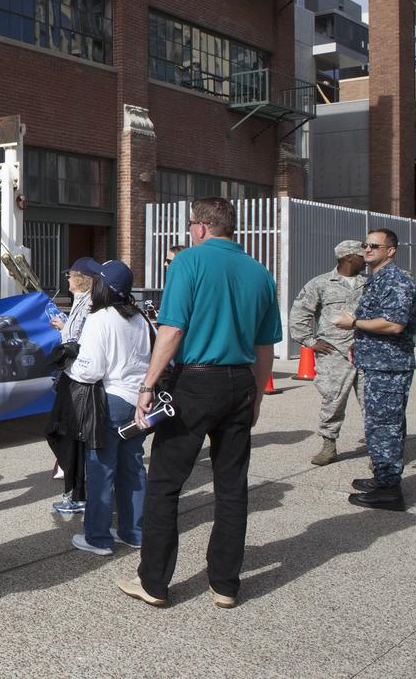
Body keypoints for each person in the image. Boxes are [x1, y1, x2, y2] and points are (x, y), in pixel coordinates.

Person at [119, 197, 280, 609]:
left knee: (166, 485)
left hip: (196, 382)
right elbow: (265, 345)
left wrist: (147, 385)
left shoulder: (189, 262)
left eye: (192, 224)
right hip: (241, 381)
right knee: (232, 485)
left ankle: (153, 582)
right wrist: (258, 394)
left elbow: (172, 330)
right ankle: (225, 583)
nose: (190, 230)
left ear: (202, 226)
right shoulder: (260, 273)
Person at [66, 260, 151, 556]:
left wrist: (67, 366)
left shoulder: (100, 318)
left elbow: (89, 371)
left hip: (109, 402)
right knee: (133, 468)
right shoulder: (140, 318)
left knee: (101, 470)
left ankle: (98, 538)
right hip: (138, 401)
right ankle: (134, 531)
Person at [334, 229, 416, 511]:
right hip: (379, 362)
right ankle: (383, 479)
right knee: (379, 426)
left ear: (390, 250)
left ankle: (390, 490)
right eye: (364, 245)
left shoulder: (396, 280)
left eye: (373, 246)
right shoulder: (377, 279)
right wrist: (360, 342)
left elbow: (394, 324)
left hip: (390, 366)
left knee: (385, 427)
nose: (366, 250)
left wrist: (354, 324)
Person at [289, 240, 367, 466]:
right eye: (362, 255)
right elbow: (299, 315)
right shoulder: (320, 284)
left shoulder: (370, 284)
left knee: (371, 403)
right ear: (349, 257)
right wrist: (310, 342)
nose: (366, 259)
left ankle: (378, 449)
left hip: (366, 352)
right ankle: (329, 445)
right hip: (334, 354)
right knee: (332, 401)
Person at [50, 257, 98, 515]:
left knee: (67, 435)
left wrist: (65, 337)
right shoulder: (81, 303)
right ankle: (77, 490)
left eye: (70, 275)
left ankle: (79, 493)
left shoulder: (89, 304)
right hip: (73, 377)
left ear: (82, 279)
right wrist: (63, 327)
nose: (67, 279)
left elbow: (79, 342)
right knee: (64, 435)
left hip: (78, 379)